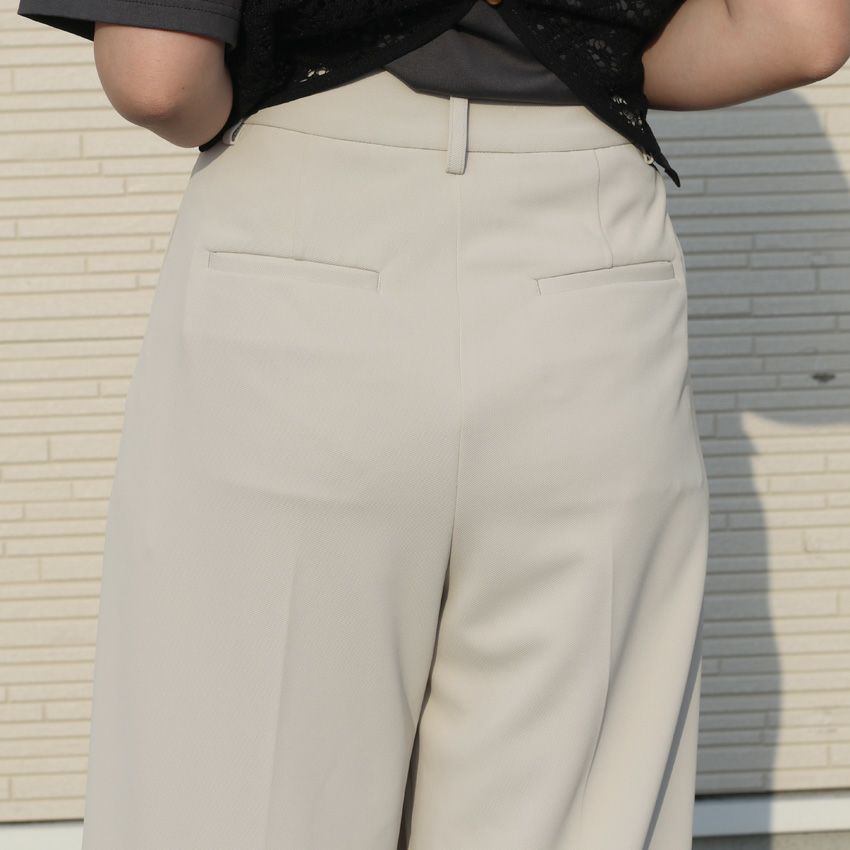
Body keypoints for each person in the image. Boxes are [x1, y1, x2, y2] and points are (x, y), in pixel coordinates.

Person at [14, 1, 849, 848]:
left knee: (238, 795)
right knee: (568, 812)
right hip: (590, 264)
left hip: (303, 235)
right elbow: (800, 33)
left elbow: (157, 77)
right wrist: (584, 49)